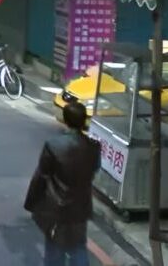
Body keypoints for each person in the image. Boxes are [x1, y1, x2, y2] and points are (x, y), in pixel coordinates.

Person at [24, 101, 100, 266]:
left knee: (54, 250)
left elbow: (41, 176)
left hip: (56, 207)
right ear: (84, 120)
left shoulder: (53, 145)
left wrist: (31, 202)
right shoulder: (94, 147)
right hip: (81, 206)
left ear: (65, 120)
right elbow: (94, 169)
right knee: (78, 247)